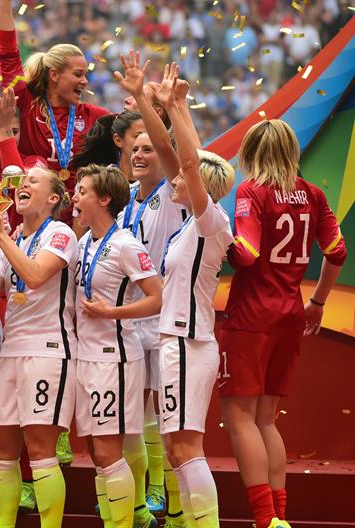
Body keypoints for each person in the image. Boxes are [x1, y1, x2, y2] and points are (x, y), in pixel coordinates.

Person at [220, 118, 346, 528]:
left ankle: (264, 520)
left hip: (251, 317)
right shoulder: (313, 194)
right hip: (291, 314)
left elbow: (248, 253)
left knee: (239, 418)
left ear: (252, 151)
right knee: (266, 420)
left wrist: (217, 238)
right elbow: (337, 251)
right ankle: (278, 519)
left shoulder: (252, 191)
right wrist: (319, 301)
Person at [0, 166, 78, 528]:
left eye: (34, 181)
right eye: (22, 181)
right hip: (11, 351)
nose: (23, 184)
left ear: (53, 198)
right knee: (1, 451)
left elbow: (34, 275)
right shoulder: (13, 237)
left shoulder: (60, 233)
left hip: (48, 350)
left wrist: (1, 237)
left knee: (41, 450)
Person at [152, 63, 236, 528]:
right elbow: (179, 160)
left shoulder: (210, 221)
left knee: (186, 446)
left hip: (187, 341)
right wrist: (164, 106)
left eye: (185, 178)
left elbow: (185, 161)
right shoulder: (191, 225)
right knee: (174, 447)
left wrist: (179, 106)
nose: (176, 181)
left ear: (202, 183)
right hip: (178, 339)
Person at [113, 52, 191, 525]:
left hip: (165, 322)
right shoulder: (124, 205)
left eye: (148, 149)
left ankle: (175, 508)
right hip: (131, 321)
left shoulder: (170, 192)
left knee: (167, 423)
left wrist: (145, 99)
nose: (142, 154)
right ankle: (143, 503)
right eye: (134, 149)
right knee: (132, 422)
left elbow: (170, 150)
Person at [71, 164, 163, 528]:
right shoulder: (83, 242)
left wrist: (113, 312)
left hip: (117, 357)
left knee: (109, 450)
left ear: (105, 199)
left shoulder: (127, 244)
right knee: (97, 450)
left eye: (82, 191)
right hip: (87, 356)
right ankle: (119, 517)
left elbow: (158, 297)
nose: (74, 196)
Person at [0, 0, 111, 217]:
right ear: (54, 75)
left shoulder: (95, 117)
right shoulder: (27, 102)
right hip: (32, 218)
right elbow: (8, 52)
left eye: (86, 75)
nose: (85, 81)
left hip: (78, 223)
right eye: (78, 74)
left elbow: (133, 131)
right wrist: (4, 4)